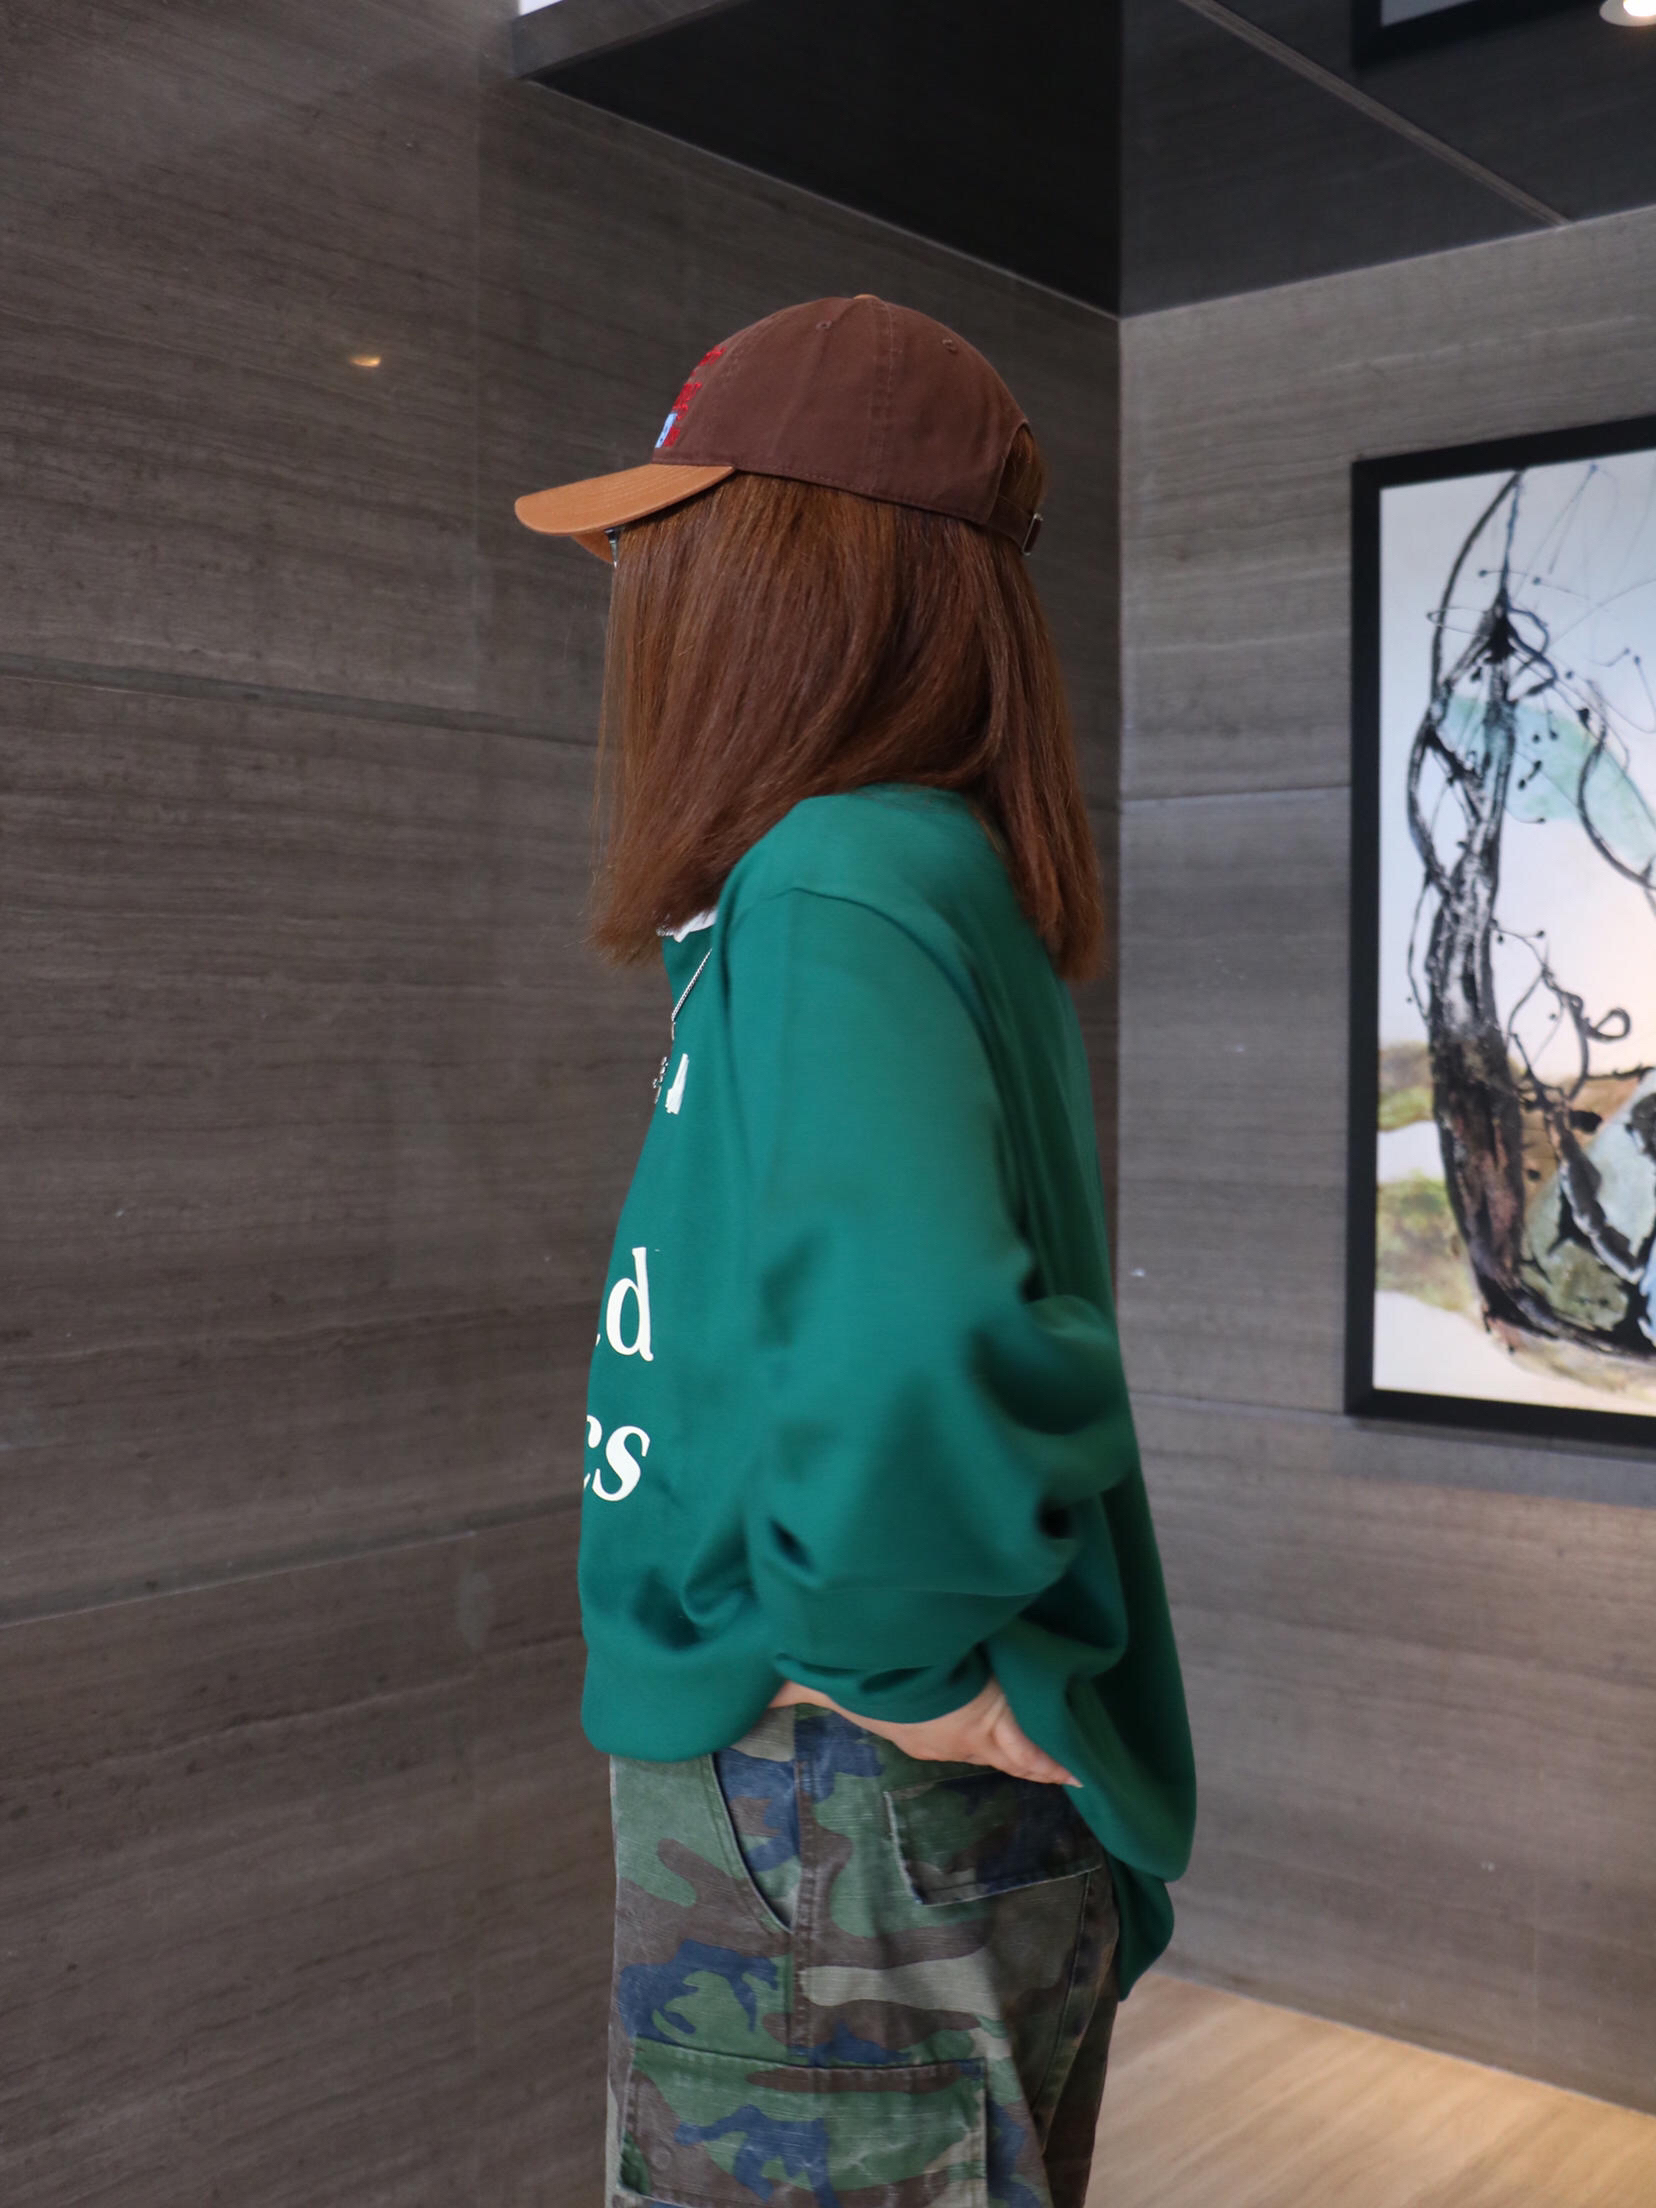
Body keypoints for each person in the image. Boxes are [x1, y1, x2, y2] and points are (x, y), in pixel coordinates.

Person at [515, 294, 1195, 2208]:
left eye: (677, 540)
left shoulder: (837, 876)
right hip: (853, 1823)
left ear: (795, 575)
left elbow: (906, 1336)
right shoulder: (897, 870)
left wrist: (890, 1664)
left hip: (836, 1821)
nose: (641, 597)